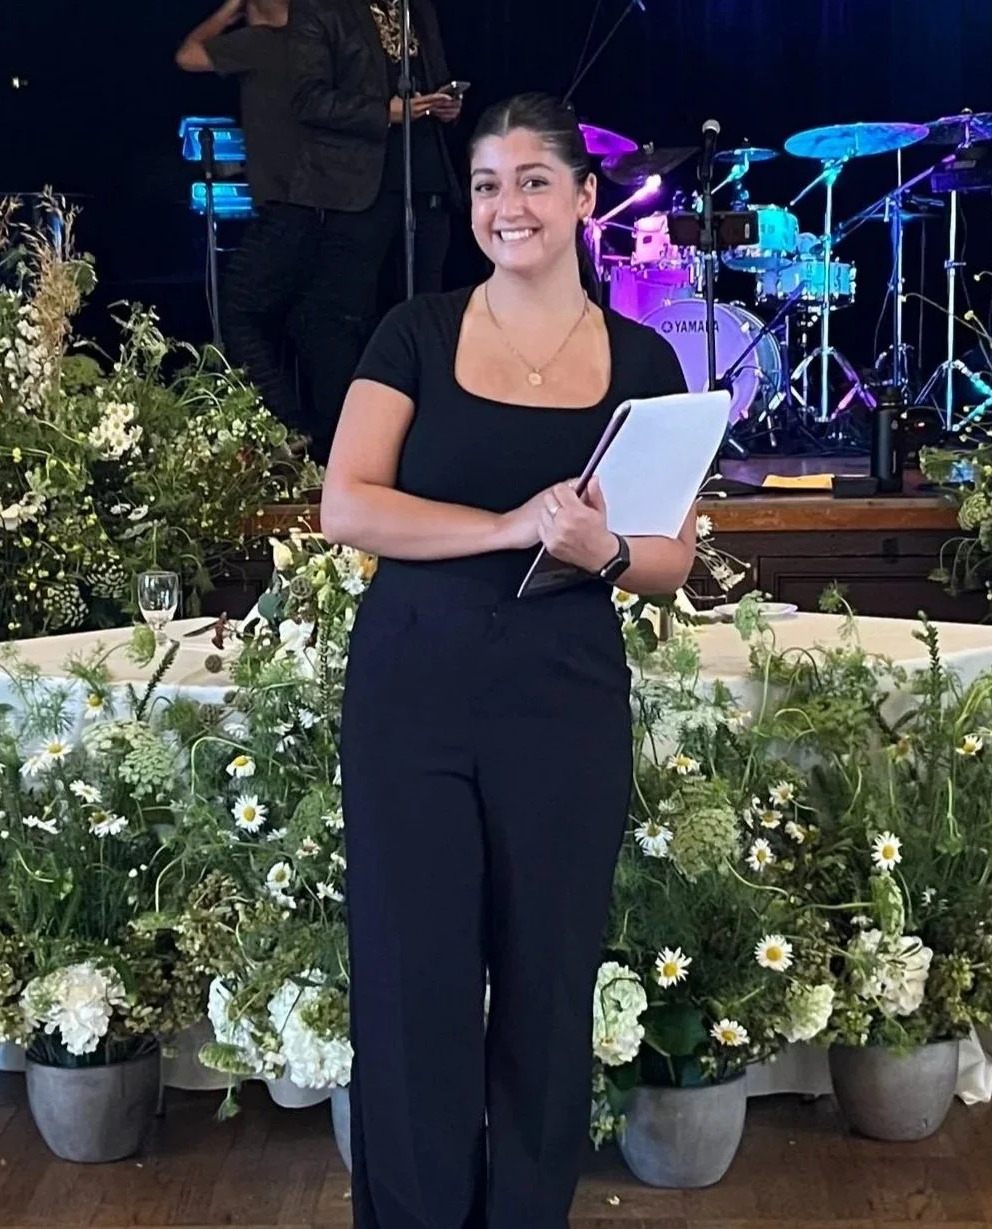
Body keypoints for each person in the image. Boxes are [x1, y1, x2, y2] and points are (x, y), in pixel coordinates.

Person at [320, 93, 694, 1227]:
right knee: (412, 986)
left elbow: (669, 558)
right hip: (412, 697)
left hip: (563, 703)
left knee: (546, 989)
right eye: (487, 184)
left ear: (586, 198)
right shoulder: (414, 331)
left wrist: (605, 547)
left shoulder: (645, 357)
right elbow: (348, 505)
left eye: (533, 180)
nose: (507, 205)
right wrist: (508, 527)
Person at [280, 0, 462, 460]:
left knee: (427, 310)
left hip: (426, 180)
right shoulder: (322, 10)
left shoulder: (416, 9)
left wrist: (444, 103)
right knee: (343, 316)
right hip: (359, 188)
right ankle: (349, 443)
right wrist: (386, 112)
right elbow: (307, 98)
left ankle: (428, 439)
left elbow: (431, 76)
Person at [176, 0, 311, 442]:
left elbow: (188, 53)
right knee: (305, 319)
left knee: (238, 311)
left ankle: (286, 424)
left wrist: (229, 9)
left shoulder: (258, 45)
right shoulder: (315, 47)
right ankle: (307, 424)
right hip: (326, 201)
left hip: (285, 206)